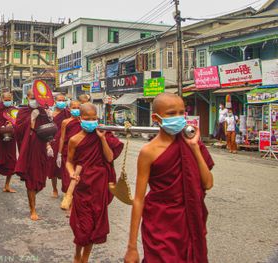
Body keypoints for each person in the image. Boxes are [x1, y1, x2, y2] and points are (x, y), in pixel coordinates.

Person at [124, 93, 214, 263]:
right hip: (160, 224)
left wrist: (194, 148)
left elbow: (208, 183)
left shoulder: (192, 143)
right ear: (156, 118)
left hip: (189, 220)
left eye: (182, 112)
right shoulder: (149, 151)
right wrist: (132, 247)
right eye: (171, 114)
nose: (178, 118)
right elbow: (138, 200)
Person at [66, 103, 123, 263]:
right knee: (82, 227)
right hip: (82, 186)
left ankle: (85, 258)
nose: (91, 121)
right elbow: (69, 162)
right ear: (80, 119)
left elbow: (110, 158)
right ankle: (78, 254)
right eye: (87, 118)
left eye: (94, 118)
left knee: (94, 226)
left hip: (99, 186)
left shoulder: (102, 135)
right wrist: (71, 174)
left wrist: (102, 138)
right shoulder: (75, 140)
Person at [14, 89, 53, 221]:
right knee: (31, 181)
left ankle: (33, 197)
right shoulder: (23, 112)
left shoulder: (43, 111)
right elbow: (18, 131)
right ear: (27, 98)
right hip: (29, 149)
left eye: (37, 98)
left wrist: (49, 144)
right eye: (32, 97)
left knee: (41, 181)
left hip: (41, 149)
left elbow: (50, 131)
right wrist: (31, 120)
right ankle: (33, 209)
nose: (34, 100)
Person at [0, 92, 18, 193]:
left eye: (9, 99)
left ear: (12, 99)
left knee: (11, 162)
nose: (7, 101)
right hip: (0, 141)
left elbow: (20, 123)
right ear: (2, 99)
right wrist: (1, 126)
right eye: (5, 100)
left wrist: (12, 126)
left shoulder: (14, 110)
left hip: (11, 141)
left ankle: (7, 185)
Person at [58, 100, 82, 210]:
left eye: (78, 107)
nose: (76, 109)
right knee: (67, 177)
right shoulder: (65, 122)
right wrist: (59, 153)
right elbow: (62, 137)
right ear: (69, 108)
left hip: (80, 152)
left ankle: (74, 204)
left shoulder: (83, 122)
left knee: (78, 178)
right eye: (74, 107)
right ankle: (68, 201)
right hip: (67, 151)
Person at [47, 94, 71, 198]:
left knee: (65, 167)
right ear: (55, 101)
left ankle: (66, 189)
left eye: (63, 100)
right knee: (53, 167)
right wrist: (47, 145)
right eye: (59, 100)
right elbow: (46, 129)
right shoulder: (50, 113)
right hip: (53, 142)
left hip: (66, 142)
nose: (62, 102)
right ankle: (54, 189)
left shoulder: (68, 113)